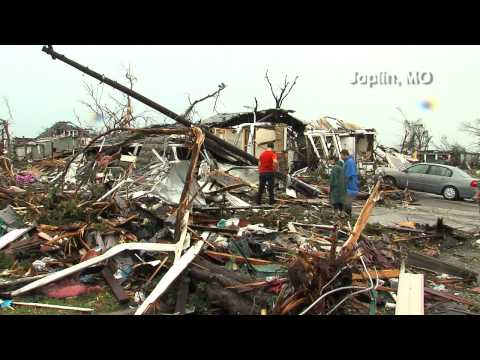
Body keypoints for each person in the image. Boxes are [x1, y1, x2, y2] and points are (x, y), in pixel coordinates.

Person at [340, 149, 359, 217]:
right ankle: (347, 215)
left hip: (350, 186)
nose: (341, 157)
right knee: (347, 201)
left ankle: (347, 215)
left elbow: (349, 175)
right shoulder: (346, 162)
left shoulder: (349, 162)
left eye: (341, 155)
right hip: (349, 186)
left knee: (347, 201)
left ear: (345, 155)